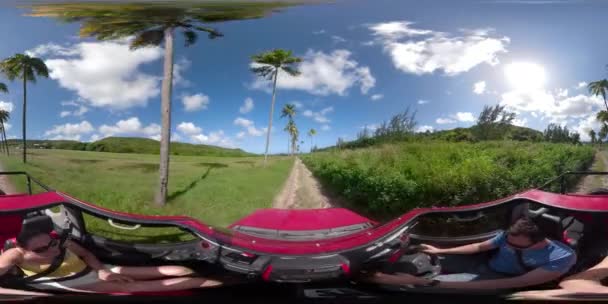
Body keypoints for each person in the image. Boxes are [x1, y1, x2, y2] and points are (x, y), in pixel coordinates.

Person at [365, 217, 577, 291]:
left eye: (517, 247)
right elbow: (479, 248)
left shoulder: (561, 258)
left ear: (541, 241)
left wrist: (423, 284)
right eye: (508, 242)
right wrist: (442, 251)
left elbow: (513, 284)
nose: (510, 247)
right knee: (423, 257)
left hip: (499, 280)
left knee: (422, 286)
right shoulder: (511, 236)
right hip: (483, 264)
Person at [0, 228, 226, 294]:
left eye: (51, 243)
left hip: (95, 269)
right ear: (21, 248)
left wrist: (102, 271)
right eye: (41, 249)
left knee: (175, 269)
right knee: (147, 285)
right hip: (76, 282)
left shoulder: (60, 242)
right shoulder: (14, 255)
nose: (51, 250)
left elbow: (87, 255)